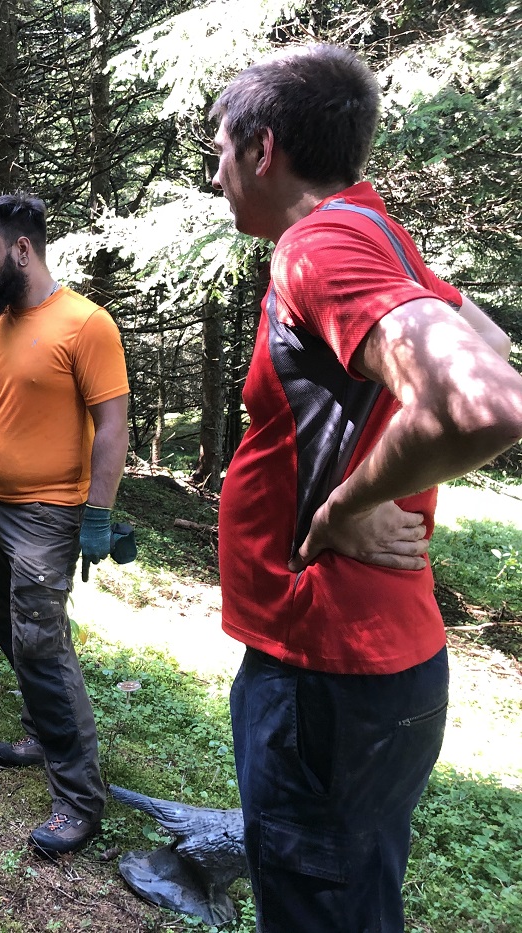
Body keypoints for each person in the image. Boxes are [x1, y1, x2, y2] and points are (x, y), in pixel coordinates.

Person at [209, 45, 522, 933]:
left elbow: (487, 396)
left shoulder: (320, 245)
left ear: (263, 149)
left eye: (220, 150)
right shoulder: (373, 230)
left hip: (327, 674)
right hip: (375, 670)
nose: (217, 175)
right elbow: (490, 340)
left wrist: (343, 505)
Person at [0, 194, 131, 856]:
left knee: (41, 642)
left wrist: (98, 512)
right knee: (2, 617)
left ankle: (79, 801)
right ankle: (44, 724)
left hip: (49, 512)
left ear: (21, 249)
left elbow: (113, 424)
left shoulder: (85, 324)